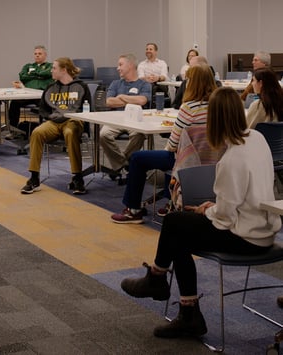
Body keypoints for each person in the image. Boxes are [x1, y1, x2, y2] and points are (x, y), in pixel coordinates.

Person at [119, 87, 281, 339]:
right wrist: (213, 209)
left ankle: (163, 284)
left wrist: (209, 211)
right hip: (264, 229)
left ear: (214, 119)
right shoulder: (256, 139)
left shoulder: (232, 159)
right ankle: (176, 299)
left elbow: (225, 217)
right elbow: (241, 198)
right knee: (178, 230)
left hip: (247, 237)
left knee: (175, 225)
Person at [111, 65, 217, 223]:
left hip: (188, 161)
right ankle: (170, 203)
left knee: (138, 158)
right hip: (216, 162)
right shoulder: (220, 106)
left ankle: (133, 210)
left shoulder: (188, 109)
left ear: (193, 83)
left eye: (188, 80)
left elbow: (173, 145)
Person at [20, 57, 92, 195]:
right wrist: (50, 117)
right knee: (37, 132)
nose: (51, 70)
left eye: (54, 68)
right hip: (54, 122)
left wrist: (80, 121)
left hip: (73, 121)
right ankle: (34, 178)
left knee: (70, 133)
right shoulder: (51, 87)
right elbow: (43, 109)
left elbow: (88, 109)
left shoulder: (81, 87)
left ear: (63, 70)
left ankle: (78, 178)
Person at [100, 54, 152, 182]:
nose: (118, 68)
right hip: (116, 118)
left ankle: (120, 162)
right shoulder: (115, 83)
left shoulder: (144, 85)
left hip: (136, 120)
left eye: (120, 65)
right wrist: (131, 101)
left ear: (130, 66)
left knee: (139, 134)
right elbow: (109, 102)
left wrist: (121, 96)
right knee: (103, 134)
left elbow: (142, 100)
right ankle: (125, 164)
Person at [7, 45, 53, 133]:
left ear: (45, 55)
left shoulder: (50, 66)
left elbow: (46, 73)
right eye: (35, 54)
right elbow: (22, 76)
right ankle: (13, 129)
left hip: (41, 96)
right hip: (27, 94)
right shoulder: (28, 66)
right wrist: (39, 75)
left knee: (46, 106)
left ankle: (47, 129)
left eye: (40, 53)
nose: (37, 55)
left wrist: (32, 73)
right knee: (14, 103)